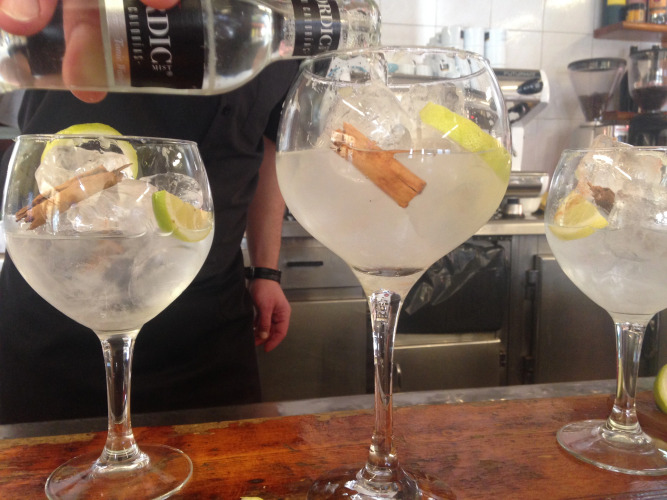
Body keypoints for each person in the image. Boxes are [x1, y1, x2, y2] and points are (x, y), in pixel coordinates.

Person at [0, 59, 298, 424]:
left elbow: (267, 143)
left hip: (211, 320)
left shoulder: (295, 32)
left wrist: (266, 271)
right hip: (60, 311)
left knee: (234, 456)